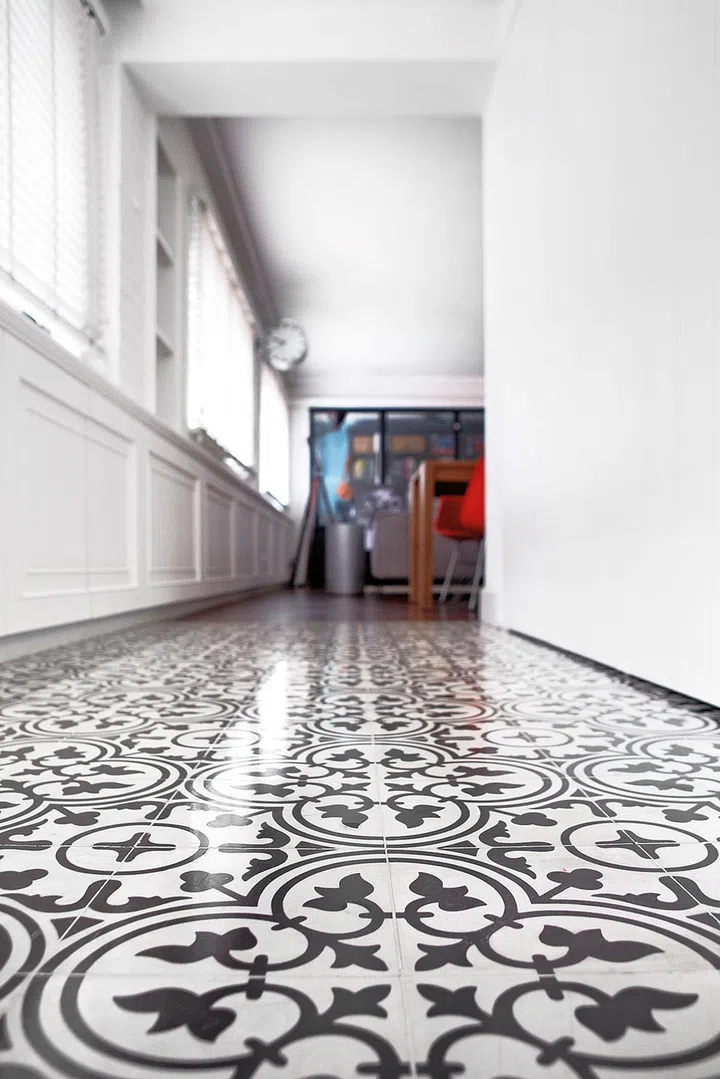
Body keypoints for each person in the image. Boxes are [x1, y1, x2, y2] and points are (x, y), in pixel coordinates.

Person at [318, 411, 352, 520]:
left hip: (339, 482)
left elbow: (349, 458)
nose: (329, 417)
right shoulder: (323, 438)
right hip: (330, 482)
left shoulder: (345, 435)